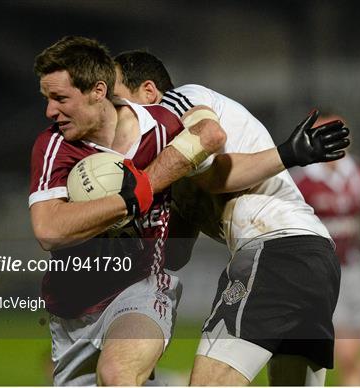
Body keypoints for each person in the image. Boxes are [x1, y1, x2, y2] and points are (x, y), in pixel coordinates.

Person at [114, 50, 351, 386]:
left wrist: (288, 154)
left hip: (275, 251)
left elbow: (212, 144)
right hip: (314, 256)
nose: (113, 112)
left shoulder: (179, 103)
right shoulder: (175, 161)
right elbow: (176, 254)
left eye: (118, 99)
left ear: (149, 93)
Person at [29, 36, 227, 386]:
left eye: (60, 98)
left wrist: (287, 154)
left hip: (142, 288)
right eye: (47, 99)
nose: (50, 111)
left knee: (118, 373)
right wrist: (129, 199)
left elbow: (210, 134)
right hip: (72, 313)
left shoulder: (160, 126)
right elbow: (48, 230)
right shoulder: (54, 145)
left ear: (98, 90)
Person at [292, 112, 360, 385]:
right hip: (321, 273)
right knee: (349, 355)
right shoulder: (301, 179)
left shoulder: (359, 173)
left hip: (354, 267)